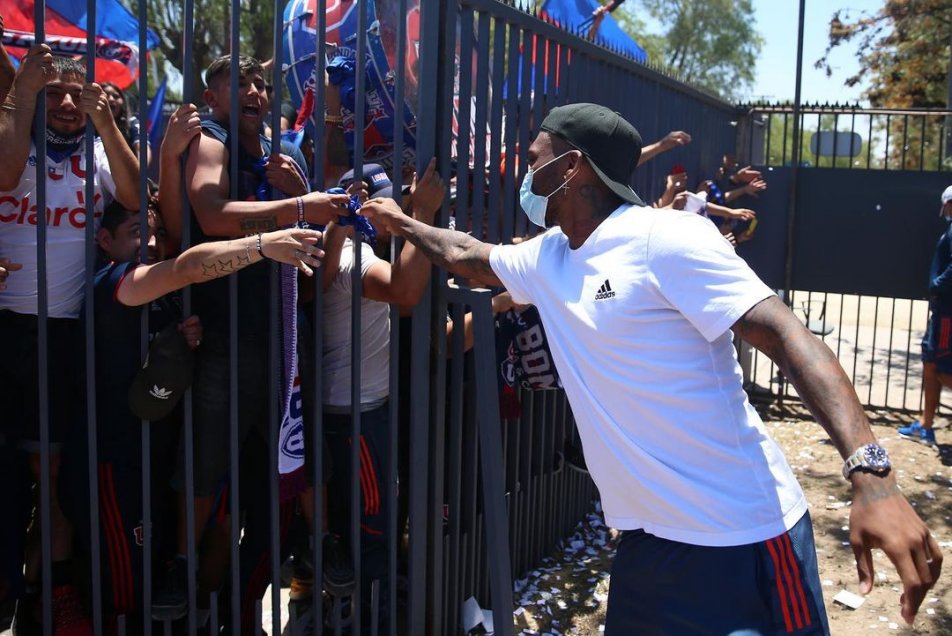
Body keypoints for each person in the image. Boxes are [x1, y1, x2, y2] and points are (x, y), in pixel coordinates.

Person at [360, 102, 942, 633]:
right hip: (647, 546)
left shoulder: (666, 239)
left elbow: (787, 335)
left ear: (573, 168)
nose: (525, 175)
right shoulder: (550, 256)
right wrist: (404, 221)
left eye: (534, 160)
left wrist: (872, 474)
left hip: (744, 539)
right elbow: (467, 255)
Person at [156, 53, 348, 619]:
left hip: (286, 325)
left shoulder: (279, 152)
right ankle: (179, 563)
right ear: (211, 98)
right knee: (205, 457)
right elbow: (212, 216)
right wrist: (295, 204)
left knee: (303, 443)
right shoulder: (211, 139)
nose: (254, 90)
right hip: (225, 332)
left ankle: (321, 545)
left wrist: (301, 193)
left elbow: (312, 232)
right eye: (236, 82)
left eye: (260, 82)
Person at [0, 46, 140, 630]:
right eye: (53, 92)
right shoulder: (13, 133)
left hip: (66, 337)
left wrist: (105, 122)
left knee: (53, 476)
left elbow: (136, 197)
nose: (63, 104)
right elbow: (5, 175)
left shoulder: (98, 151)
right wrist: (22, 93)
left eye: (73, 94)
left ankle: (50, 588)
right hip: (6, 328)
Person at [898, 185, 952, 445]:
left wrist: (937, 285)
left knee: (942, 367)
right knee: (931, 363)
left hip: (947, 312)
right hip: (942, 310)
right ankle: (925, 425)